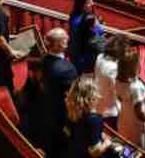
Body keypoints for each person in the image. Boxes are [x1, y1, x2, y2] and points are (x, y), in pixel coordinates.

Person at [42, 28, 80, 158]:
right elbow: (74, 96)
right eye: (65, 38)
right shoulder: (67, 69)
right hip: (62, 115)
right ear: (59, 44)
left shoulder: (45, 59)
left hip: (47, 110)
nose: (68, 38)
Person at [66, 75, 111, 158]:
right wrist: (107, 143)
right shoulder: (94, 120)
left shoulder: (71, 112)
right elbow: (94, 152)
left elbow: (70, 133)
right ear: (91, 98)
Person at [116, 49, 145, 149]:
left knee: (126, 148)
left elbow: (120, 98)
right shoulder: (136, 87)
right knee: (139, 151)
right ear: (134, 66)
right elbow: (139, 113)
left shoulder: (117, 80)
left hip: (123, 118)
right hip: (135, 126)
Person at [94, 36, 123, 129]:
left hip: (99, 100)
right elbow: (117, 91)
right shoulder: (113, 68)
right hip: (111, 109)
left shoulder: (100, 56)